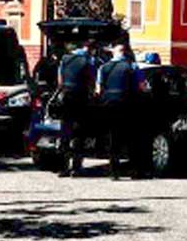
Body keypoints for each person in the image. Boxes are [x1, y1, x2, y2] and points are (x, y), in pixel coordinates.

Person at [54, 38, 97, 177]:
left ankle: (62, 167)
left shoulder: (65, 59)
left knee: (65, 132)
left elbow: (59, 80)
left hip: (66, 97)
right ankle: (76, 168)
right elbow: (92, 82)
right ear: (90, 49)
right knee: (79, 134)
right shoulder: (88, 61)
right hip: (80, 98)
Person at [96, 41, 139, 177]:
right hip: (126, 104)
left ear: (113, 52)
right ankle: (133, 169)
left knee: (112, 137)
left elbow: (98, 89)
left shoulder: (104, 68)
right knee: (130, 137)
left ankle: (113, 171)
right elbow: (141, 86)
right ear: (125, 52)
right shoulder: (131, 67)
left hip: (108, 104)